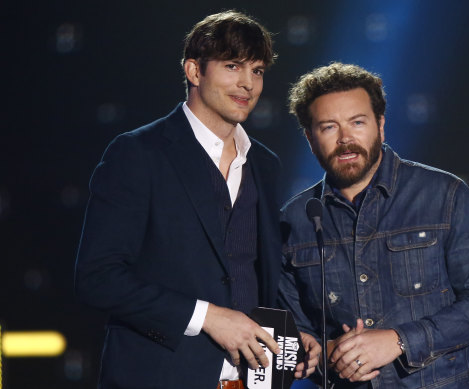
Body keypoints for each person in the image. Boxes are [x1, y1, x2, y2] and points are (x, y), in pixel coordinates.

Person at [75, 10, 319, 389]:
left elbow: (259, 273)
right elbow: (98, 277)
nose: (248, 84)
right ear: (194, 71)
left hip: (251, 381)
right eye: (233, 66)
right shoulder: (139, 153)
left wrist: (294, 332)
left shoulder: (264, 164)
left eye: (256, 70)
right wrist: (207, 317)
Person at [277, 62, 469, 389]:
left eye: (357, 123)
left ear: (380, 126)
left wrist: (399, 340)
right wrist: (320, 353)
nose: (346, 139)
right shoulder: (294, 219)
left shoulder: (445, 195)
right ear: (310, 138)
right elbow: (295, 334)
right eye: (329, 127)